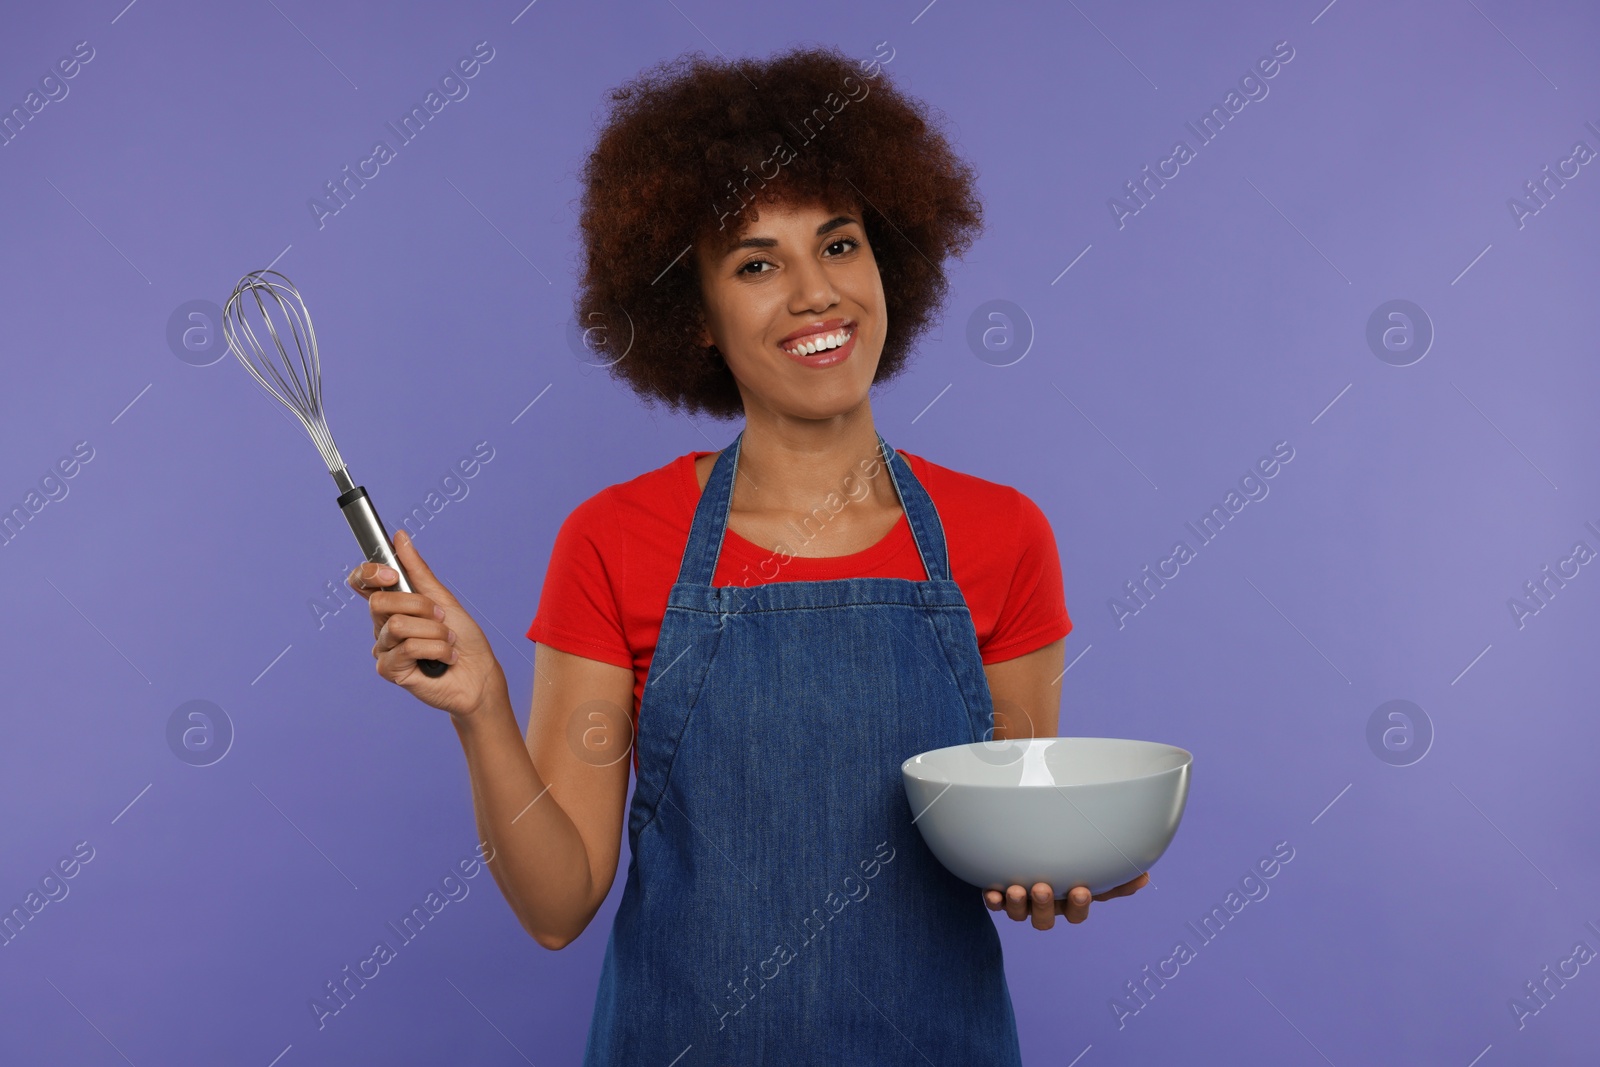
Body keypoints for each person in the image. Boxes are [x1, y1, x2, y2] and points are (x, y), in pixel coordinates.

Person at [346, 44, 1147, 1064]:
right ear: (696, 319)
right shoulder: (614, 539)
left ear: (888, 259)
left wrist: (1073, 864)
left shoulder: (1003, 536)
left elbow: (1017, 835)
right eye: (756, 263)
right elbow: (556, 903)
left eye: (841, 244)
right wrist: (481, 707)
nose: (817, 293)